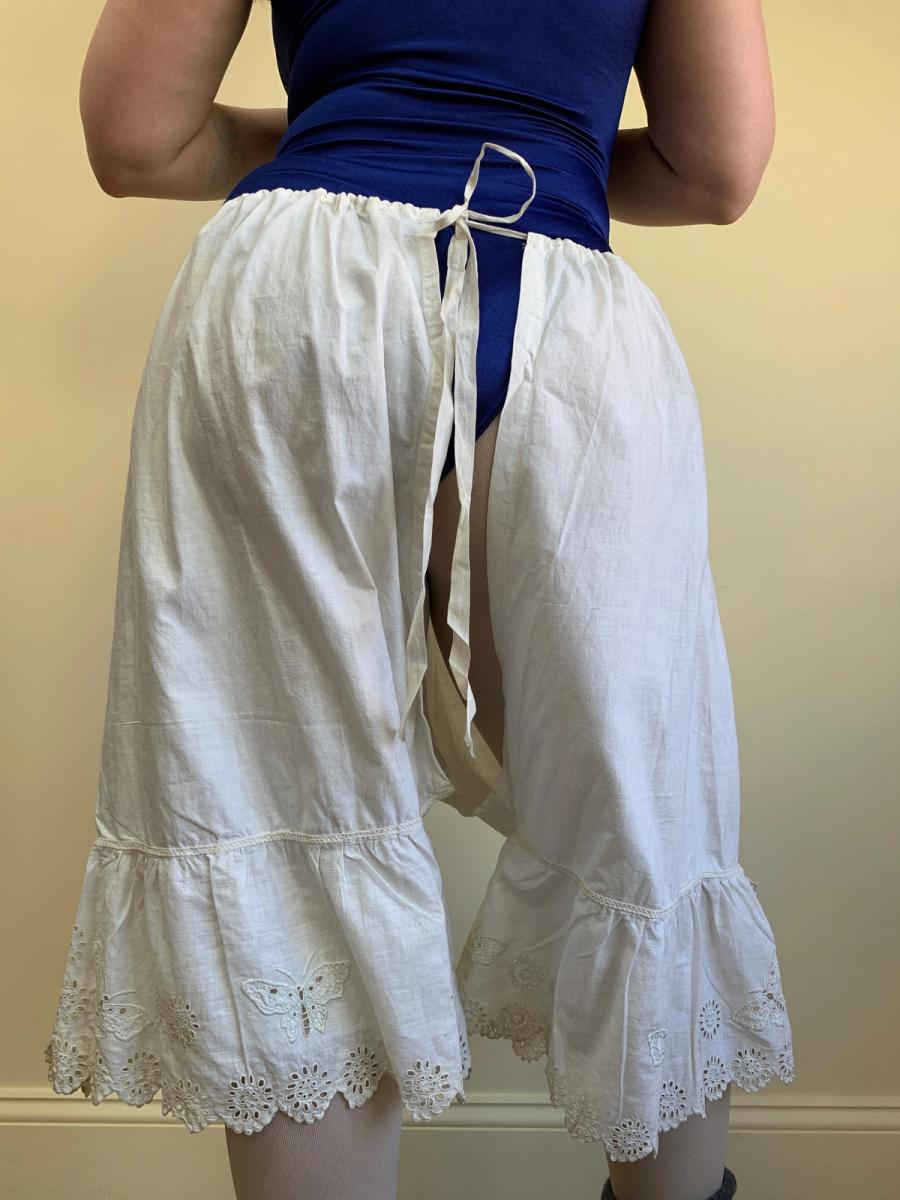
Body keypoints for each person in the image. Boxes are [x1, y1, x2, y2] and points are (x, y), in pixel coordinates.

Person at [43, 1, 792, 1198]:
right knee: (643, 824)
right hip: (557, 306)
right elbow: (716, 167)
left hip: (293, 304)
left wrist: (345, 131)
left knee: (289, 834)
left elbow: (138, 136)